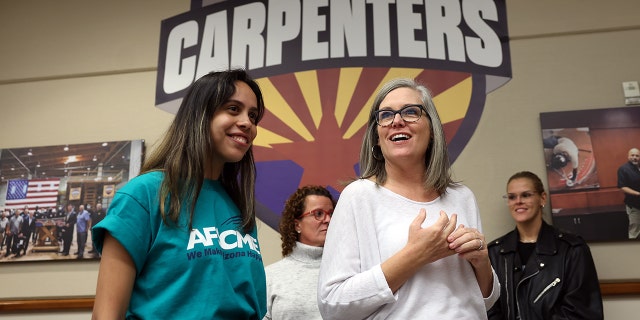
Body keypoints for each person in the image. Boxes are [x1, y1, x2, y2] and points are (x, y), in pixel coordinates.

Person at [92, 69, 267, 319]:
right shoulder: (143, 195)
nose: (247, 123)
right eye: (232, 108)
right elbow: (106, 314)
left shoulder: (239, 207)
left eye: (253, 115)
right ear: (200, 115)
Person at [317, 78, 499, 319]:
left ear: (432, 129)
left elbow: (486, 300)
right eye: (386, 115)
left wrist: (481, 262)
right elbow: (333, 304)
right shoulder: (359, 197)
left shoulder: (462, 197)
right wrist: (414, 255)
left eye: (411, 112)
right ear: (377, 138)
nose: (397, 121)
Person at [487, 171, 603, 319]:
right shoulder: (495, 252)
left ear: (542, 198)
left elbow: (582, 311)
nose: (518, 201)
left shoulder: (572, 249)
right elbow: (489, 309)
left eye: (526, 195)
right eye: (512, 197)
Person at [264, 185, 335, 320]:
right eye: (318, 213)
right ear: (297, 225)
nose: (328, 220)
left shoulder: (348, 271)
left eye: (331, 214)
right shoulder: (270, 276)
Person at [617, 147, 640, 239]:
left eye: (637, 156)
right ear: (628, 156)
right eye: (632, 155)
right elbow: (622, 187)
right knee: (635, 231)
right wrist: (638, 194)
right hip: (634, 206)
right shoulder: (623, 169)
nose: (634, 157)